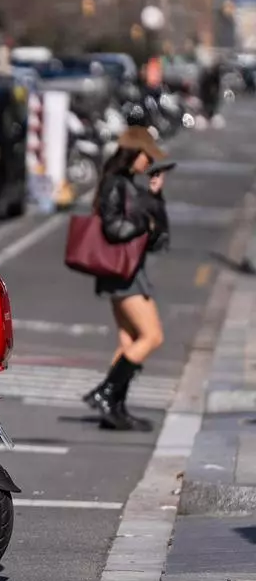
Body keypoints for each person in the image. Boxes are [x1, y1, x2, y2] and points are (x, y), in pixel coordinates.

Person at [81, 126, 170, 432]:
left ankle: (115, 409)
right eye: (147, 156)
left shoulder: (127, 184)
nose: (149, 163)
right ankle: (106, 394)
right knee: (152, 336)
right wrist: (144, 222)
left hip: (127, 271)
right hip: (124, 273)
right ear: (134, 153)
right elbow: (113, 228)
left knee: (128, 341)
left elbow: (159, 236)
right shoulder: (115, 184)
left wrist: (155, 198)